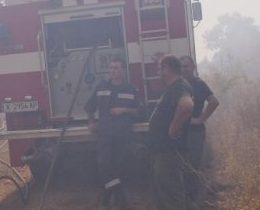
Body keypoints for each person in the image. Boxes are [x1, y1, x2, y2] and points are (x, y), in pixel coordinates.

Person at [84, 58, 141, 210]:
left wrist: (124, 110)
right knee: (104, 164)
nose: (113, 71)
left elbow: (140, 111)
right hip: (105, 134)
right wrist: (91, 122)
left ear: (123, 70)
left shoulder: (131, 89)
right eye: (111, 68)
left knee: (120, 166)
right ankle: (121, 197)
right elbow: (89, 107)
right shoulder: (101, 87)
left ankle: (107, 198)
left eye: (117, 68)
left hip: (124, 135)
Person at [148, 54, 195, 210]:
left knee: (172, 196)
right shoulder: (174, 88)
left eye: (159, 68)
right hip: (163, 151)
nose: (157, 72)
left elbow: (187, 105)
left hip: (169, 152)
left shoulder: (179, 86)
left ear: (166, 68)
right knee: (163, 195)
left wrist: (173, 127)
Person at [180, 56, 219, 200]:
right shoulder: (179, 85)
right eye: (181, 67)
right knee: (182, 165)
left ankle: (194, 198)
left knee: (192, 166)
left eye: (186, 66)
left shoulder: (199, 84)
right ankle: (185, 197)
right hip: (180, 132)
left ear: (193, 67)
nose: (184, 69)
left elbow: (214, 102)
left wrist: (201, 119)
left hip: (194, 132)